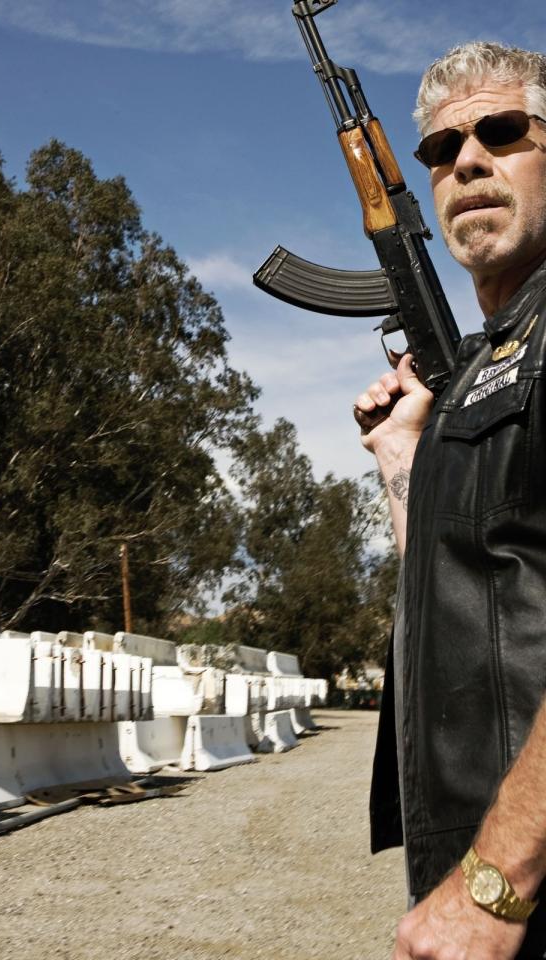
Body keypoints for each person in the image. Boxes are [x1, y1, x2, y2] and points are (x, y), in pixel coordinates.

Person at [354, 42, 546, 959]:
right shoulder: (479, 364)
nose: (466, 160)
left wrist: (495, 885)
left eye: (502, 131)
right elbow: (459, 585)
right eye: (440, 148)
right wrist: (405, 456)